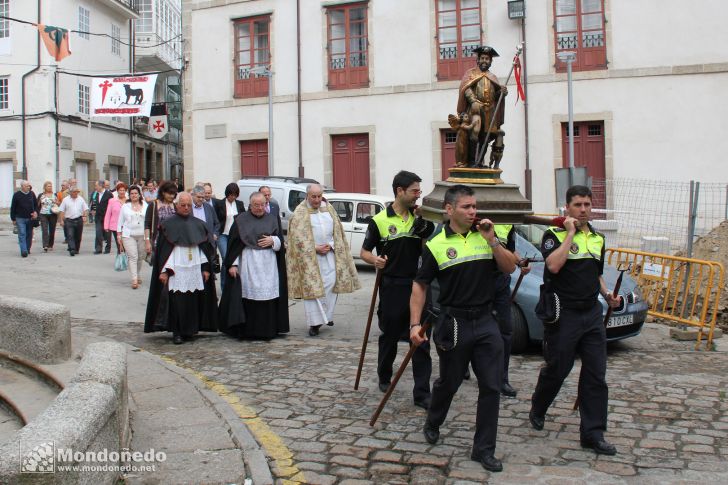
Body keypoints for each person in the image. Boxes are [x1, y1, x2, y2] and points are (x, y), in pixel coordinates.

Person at [409, 185, 517, 473]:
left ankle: (483, 449)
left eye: (474, 206)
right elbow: (419, 285)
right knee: (450, 382)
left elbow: (509, 268)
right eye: (466, 207)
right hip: (453, 323)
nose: (472, 211)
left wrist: (493, 241)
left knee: (491, 386)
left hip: (485, 322)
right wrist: (415, 324)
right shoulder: (435, 245)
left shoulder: (486, 237)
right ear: (449, 209)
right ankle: (433, 419)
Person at [529, 185, 621, 456]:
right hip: (563, 313)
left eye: (587, 205)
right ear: (567, 208)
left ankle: (593, 433)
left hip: (591, 312)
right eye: (578, 205)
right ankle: (539, 405)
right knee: (559, 368)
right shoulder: (553, 235)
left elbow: (596, 273)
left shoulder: (598, 238)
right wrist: (570, 233)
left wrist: (607, 294)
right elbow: (554, 266)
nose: (583, 210)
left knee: (596, 375)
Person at [360, 171, 435, 408]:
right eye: (414, 191)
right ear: (400, 191)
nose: (418, 195)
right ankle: (384, 374)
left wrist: (423, 222)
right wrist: (375, 261)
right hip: (392, 285)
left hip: (419, 284)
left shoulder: (420, 219)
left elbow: (427, 246)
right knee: (390, 335)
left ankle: (422, 393)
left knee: (421, 338)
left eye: (419, 191)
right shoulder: (380, 221)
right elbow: (364, 252)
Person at [144, 192, 218, 344]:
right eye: (182, 205)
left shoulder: (199, 224)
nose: (186, 208)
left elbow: (202, 249)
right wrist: (165, 271)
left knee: (193, 301)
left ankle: (190, 330)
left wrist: (205, 268)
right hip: (176, 270)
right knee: (177, 303)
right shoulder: (168, 225)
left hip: (193, 269)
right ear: (176, 206)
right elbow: (165, 252)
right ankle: (177, 332)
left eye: (188, 205)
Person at [287, 184, 361, 336]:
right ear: (307, 196)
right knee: (313, 289)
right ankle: (315, 324)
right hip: (309, 259)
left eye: (319, 196)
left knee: (332, 282)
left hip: (329, 254)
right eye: (313, 196)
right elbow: (296, 238)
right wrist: (314, 247)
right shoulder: (300, 212)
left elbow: (337, 232)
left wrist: (331, 245)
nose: (316, 199)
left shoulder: (329, 209)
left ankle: (326, 315)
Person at [219, 192, 289, 339]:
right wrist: (233, 264)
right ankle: (247, 331)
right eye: (256, 205)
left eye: (262, 204)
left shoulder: (272, 219)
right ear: (250, 205)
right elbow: (234, 245)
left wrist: (273, 241)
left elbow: (281, 244)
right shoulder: (240, 220)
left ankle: (267, 331)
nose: (259, 208)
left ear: (266, 204)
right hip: (248, 263)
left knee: (268, 298)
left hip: (268, 264)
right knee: (248, 296)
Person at [456, 45, 507, 168]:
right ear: (478, 60)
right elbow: (466, 88)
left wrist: (501, 93)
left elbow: (495, 95)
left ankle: (480, 161)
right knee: (474, 133)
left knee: (486, 136)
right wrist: (473, 101)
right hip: (475, 110)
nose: (485, 61)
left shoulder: (492, 77)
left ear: (490, 61)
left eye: (487, 59)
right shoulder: (471, 74)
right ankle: (472, 161)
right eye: (482, 58)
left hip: (489, 111)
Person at [213, 183, 246, 290]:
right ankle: (224, 287)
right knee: (226, 258)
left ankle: (234, 285)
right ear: (227, 194)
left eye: (235, 195)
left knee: (235, 259)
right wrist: (215, 233)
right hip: (223, 235)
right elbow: (216, 220)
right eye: (230, 195)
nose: (232, 197)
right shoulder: (219, 204)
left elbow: (244, 219)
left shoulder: (240, 204)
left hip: (235, 236)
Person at [118, 185, 148, 289]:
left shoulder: (145, 205)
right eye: (131, 193)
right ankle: (134, 279)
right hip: (128, 235)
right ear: (129, 195)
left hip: (142, 235)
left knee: (140, 256)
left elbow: (149, 221)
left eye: (136, 193)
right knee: (133, 256)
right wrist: (119, 235)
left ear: (139, 194)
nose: (134, 195)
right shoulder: (125, 206)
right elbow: (120, 221)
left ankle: (138, 273)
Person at [144, 180, 178, 264]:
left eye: (173, 194)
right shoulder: (154, 205)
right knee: (159, 266)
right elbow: (147, 224)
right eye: (169, 193)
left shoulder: (175, 206)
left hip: (172, 240)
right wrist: (147, 241)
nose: (172, 196)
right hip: (158, 241)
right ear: (163, 192)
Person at [10, 180, 38, 258]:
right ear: (22, 187)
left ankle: (28, 248)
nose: (28, 187)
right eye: (26, 186)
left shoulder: (32, 194)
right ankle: (24, 250)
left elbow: (36, 205)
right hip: (20, 218)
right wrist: (13, 218)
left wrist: (35, 212)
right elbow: (13, 207)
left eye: (29, 186)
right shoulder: (16, 195)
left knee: (29, 234)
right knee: (22, 234)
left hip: (30, 218)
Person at [58, 186, 89, 256]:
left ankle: (76, 249)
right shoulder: (65, 200)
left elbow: (86, 209)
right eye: (74, 192)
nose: (76, 193)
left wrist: (84, 216)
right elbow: (62, 211)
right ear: (70, 193)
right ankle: (72, 249)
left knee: (78, 236)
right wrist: (61, 220)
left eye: (77, 192)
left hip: (79, 219)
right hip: (69, 220)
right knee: (70, 235)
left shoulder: (81, 199)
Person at [104, 182, 128, 255]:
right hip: (116, 226)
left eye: (123, 190)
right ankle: (121, 260)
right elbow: (108, 214)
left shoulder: (129, 201)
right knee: (119, 244)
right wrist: (106, 226)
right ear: (117, 191)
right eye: (120, 190)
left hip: (127, 226)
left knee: (126, 244)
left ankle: (127, 259)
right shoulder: (112, 201)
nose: (122, 192)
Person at [37, 181, 59, 252]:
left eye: (51, 186)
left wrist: (56, 203)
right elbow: (38, 205)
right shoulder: (41, 195)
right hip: (43, 214)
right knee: (44, 230)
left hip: (53, 214)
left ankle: (50, 244)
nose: (50, 187)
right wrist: (37, 214)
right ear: (45, 187)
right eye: (48, 186)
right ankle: (45, 245)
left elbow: (59, 203)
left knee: (52, 230)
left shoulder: (54, 194)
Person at [94, 180, 113, 254]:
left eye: (96, 186)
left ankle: (108, 248)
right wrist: (93, 210)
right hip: (98, 216)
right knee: (98, 232)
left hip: (106, 216)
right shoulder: (96, 194)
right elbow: (93, 202)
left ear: (100, 186)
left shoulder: (109, 194)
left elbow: (111, 205)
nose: (95, 187)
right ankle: (98, 248)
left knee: (107, 233)